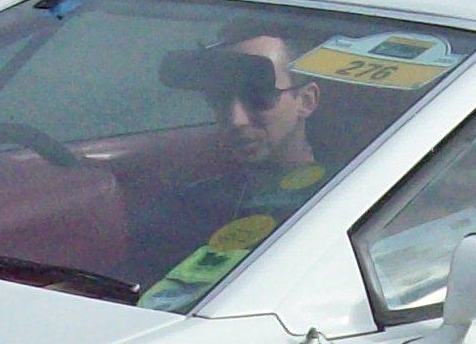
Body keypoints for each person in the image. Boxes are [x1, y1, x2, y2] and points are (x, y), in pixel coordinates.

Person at [139, 28, 332, 312]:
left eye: (258, 98)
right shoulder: (187, 206)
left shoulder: (344, 201)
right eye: (220, 99)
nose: (236, 119)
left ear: (306, 100)